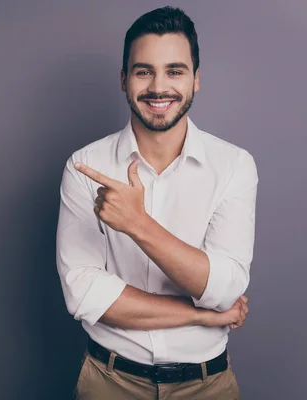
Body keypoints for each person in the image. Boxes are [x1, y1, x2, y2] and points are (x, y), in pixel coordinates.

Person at [55, 6, 258, 399]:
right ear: (124, 80)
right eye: (143, 71)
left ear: (196, 80)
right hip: (108, 382)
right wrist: (200, 315)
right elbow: (84, 295)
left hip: (207, 386)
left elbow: (224, 288)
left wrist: (137, 224)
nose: (158, 87)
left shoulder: (234, 165)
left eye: (175, 71)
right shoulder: (84, 166)